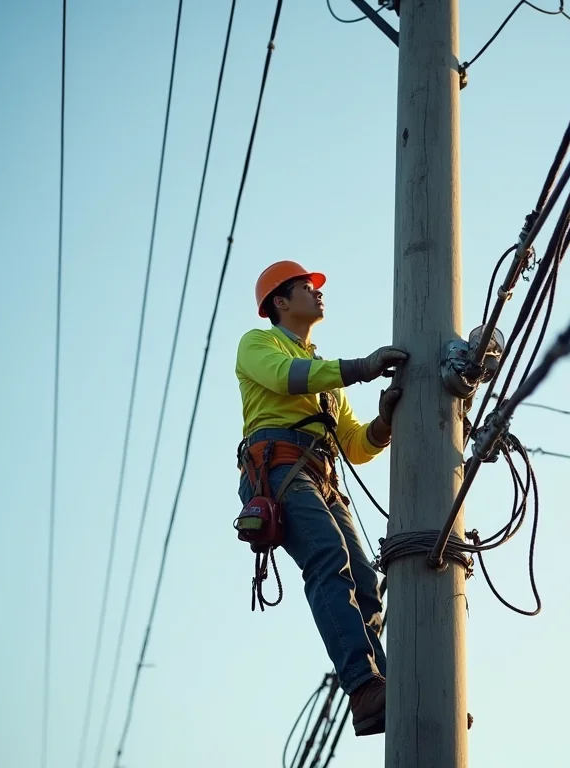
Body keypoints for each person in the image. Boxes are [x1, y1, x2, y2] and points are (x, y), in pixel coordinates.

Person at [235, 260, 408, 737]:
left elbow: (354, 444)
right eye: (305, 287)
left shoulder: (324, 377)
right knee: (329, 558)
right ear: (280, 303)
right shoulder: (259, 344)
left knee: (366, 580)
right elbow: (286, 377)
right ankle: (363, 686)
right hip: (279, 469)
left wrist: (383, 424)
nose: (317, 292)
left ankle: (383, 688)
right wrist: (361, 369)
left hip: (320, 475)